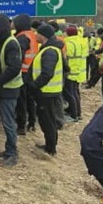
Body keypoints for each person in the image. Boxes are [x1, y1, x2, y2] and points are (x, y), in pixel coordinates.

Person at [0, 14, 23, 167]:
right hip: (5, 87)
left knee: (9, 122)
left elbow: (14, 68)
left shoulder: (11, 44)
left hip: (9, 89)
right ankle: (8, 149)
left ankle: (12, 153)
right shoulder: (3, 42)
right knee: (6, 120)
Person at [27, 24, 64, 156]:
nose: (35, 35)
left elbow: (47, 73)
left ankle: (50, 149)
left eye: (37, 33)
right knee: (49, 120)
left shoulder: (49, 51)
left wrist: (34, 85)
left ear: (43, 36)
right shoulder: (50, 49)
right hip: (49, 91)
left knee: (47, 121)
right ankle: (50, 144)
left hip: (46, 92)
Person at [13, 13, 38, 134]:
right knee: (30, 99)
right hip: (31, 70)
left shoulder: (22, 37)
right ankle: (32, 122)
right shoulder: (32, 35)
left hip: (23, 71)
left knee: (21, 99)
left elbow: (19, 56)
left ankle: (21, 125)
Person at [64, 25, 87, 121]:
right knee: (75, 92)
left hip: (71, 70)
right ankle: (77, 113)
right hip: (78, 70)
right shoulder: (79, 41)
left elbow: (67, 56)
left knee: (70, 93)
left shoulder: (69, 43)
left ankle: (74, 114)